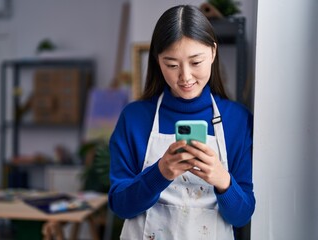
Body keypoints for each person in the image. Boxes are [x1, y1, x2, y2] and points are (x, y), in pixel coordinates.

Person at [108, 4, 255, 240]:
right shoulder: (134, 119)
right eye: (172, 65)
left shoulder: (237, 120)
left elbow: (242, 217)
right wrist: (160, 173)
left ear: (213, 52)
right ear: (157, 61)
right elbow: (120, 206)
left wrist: (222, 180)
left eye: (196, 62)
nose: (185, 77)